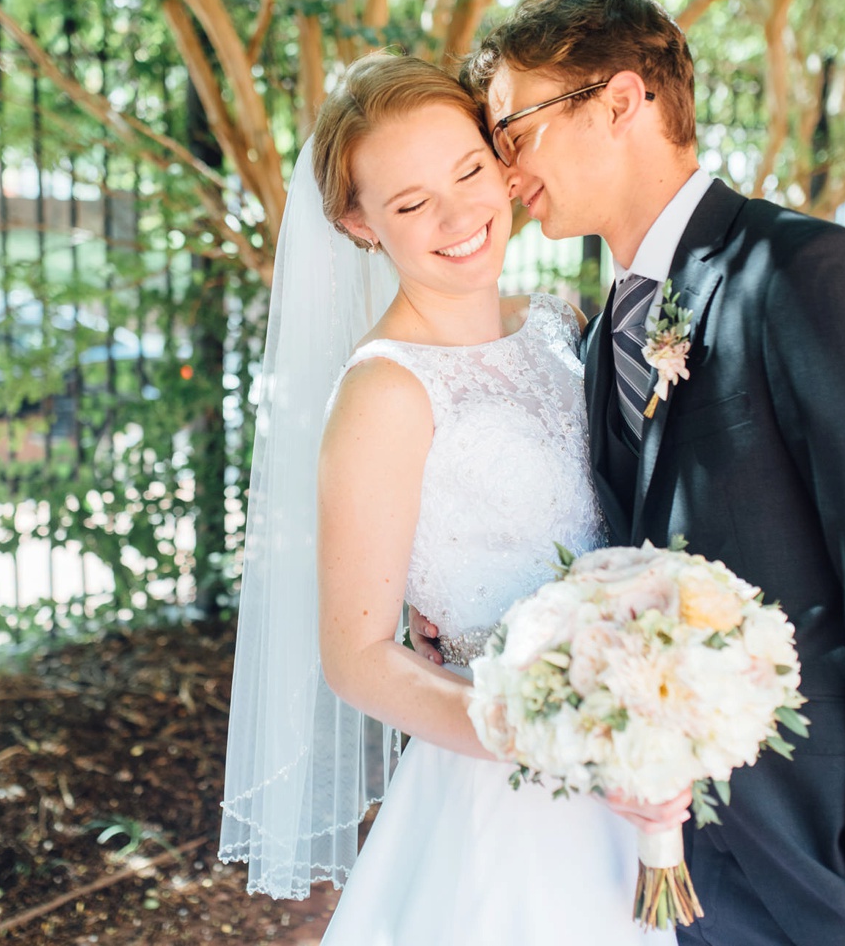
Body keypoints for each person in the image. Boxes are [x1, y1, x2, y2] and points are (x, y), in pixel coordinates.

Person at [411, 0, 845, 946]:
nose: (502, 169)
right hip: (649, 859)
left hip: (822, 861)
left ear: (619, 99)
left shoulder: (812, 276)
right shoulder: (598, 335)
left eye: (512, 129)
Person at [219, 53, 681, 944]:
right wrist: (541, 731)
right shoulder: (385, 392)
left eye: (468, 170)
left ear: (503, 162)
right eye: (408, 202)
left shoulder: (557, 324)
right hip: (502, 792)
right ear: (359, 225)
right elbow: (356, 656)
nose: (458, 213)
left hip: (629, 762)